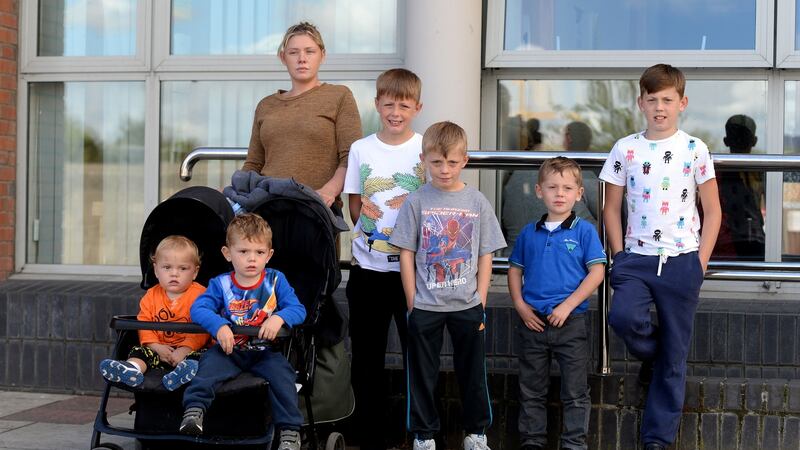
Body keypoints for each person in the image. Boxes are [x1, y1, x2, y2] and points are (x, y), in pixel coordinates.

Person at [599, 64, 721, 450]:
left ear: (682, 103)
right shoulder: (626, 148)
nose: (659, 107)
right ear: (640, 103)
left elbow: (713, 211)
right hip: (635, 258)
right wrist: (618, 255)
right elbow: (610, 207)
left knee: (674, 362)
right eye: (652, 99)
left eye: (667, 99)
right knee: (623, 317)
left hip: (683, 260)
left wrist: (699, 262)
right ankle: (656, 353)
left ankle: (657, 439)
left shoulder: (695, 149)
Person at [389, 122, 506, 450]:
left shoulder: (477, 201)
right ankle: (424, 436)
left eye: (452, 162)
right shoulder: (416, 201)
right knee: (422, 375)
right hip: (425, 305)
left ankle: (476, 433)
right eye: (437, 162)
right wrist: (412, 300)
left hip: (467, 305)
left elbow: (485, 253)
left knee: (473, 373)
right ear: (424, 159)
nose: (444, 169)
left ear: (465, 160)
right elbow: (406, 253)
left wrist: (480, 299)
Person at [342, 68, 424, 450]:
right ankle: (367, 436)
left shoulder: (425, 149)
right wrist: (373, 232)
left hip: (414, 274)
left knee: (417, 357)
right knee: (367, 358)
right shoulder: (361, 148)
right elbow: (355, 203)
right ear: (377, 104)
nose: (395, 112)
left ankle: (417, 434)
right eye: (388, 104)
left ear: (417, 107)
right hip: (368, 272)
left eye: (403, 105)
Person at [179, 213, 307, 450]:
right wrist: (219, 325)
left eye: (259, 253)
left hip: (266, 352)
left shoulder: (276, 281)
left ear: (268, 255)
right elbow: (199, 308)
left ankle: (289, 431)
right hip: (229, 350)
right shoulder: (221, 284)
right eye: (243, 252)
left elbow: (298, 310)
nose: (252, 259)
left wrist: (279, 317)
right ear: (228, 254)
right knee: (207, 367)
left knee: (284, 378)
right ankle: (194, 412)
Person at [508, 157, 606, 450]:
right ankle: (532, 442)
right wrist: (520, 306)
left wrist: (567, 305)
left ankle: (574, 444)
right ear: (539, 191)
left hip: (570, 322)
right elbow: (515, 270)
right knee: (531, 390)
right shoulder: (529, 232)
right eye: (552, 187)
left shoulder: (584, 231)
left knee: (575, 392)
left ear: (579, 193)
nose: (559, 193)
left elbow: (597, 271)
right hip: (533, 322)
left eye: (566, 187)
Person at [242, 22, 363, 208]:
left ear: (322, 55)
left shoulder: (339, 96)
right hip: (267, 209)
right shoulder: (266, 105)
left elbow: (351, 156)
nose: (302, 58)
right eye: (293, 52)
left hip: (316, 210)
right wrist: (234, 191)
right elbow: (253, 164)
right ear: (283, 57)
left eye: (309, 51)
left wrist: (329, 191)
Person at [99, 235, 208, 391]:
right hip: (159, 350)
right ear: (156, 270)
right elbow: (144, 324)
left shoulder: (201, 296)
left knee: (204, 356)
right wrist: (156, 346)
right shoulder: (151, 296)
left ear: (195, 272)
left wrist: (185, 349)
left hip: (190, 350)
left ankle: (181, 373)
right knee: (139, 351)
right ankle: (132, 369)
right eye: (167, 267)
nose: (174, 274)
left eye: (183, 268)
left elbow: (204, 329)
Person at [716, 114, 765, 260]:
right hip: (727, 241)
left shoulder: (760, 172)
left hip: (750, 238)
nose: (740, 143)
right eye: (737, 138)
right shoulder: (717, 172)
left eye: (743, 138)